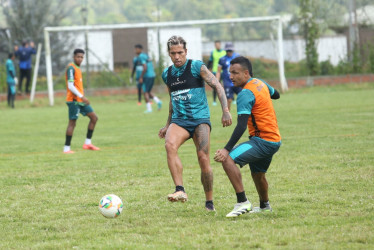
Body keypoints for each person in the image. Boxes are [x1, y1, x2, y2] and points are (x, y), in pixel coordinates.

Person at [158, 35, 232, 212]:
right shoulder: (167, 74)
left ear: (186, 51)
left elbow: (218, 86)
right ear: (169, 54)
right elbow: (172, 98)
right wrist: (168, 124)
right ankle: (180, 190)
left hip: (200, 120)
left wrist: (225, 110)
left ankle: (209, 202)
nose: (177, 56)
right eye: (173, 53)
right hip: (179, 121)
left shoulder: (196, 67)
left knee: (203, 158)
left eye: (180, 52)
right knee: (169, 145)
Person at [214, 56, 281, 217]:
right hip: (274, 140)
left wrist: (226, 149)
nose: (231, 76)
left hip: (262, 141)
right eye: (229, 72)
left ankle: (242, 202)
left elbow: (241, 126)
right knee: (257, 173)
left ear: (245, 73)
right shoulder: (259, 83)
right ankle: (265, 206)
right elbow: (276, 94)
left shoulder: (245, 94)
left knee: (228, 159)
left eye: (235, 73)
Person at [63, 49, 100, 154]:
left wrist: (82, 97)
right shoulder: (71, 68)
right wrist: (82, 96)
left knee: (94, 118)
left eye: (82, 57)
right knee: (72, 123)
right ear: (74, 57)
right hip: (74, 100)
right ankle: (66, 149)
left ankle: (87, 143)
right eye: (78, 57)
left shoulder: (78, 68)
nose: (80, 59)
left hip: (80, 100)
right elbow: (71, 86)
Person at [131, 44, 162, 113]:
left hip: (147, 76)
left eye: (136, 49)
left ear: (140, 49)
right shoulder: (146, 55)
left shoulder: (141, 56)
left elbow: (145, 67)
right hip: (152, 75)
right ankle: (158, 101)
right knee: (148, 92)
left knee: (145, 92)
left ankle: (149, 109)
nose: (135, 51)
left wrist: (141, 77)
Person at [216, 42, 241, 111]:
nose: (229, 52)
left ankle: (243, 114)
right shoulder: (222, 59)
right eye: (227, 51)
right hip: (227, 82)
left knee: (242, 98)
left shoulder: (237, 57)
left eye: (230, 50)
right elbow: (218, 71)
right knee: (228, 100)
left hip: (237, 82)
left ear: (233, 50)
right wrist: (217, 81)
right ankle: (227, 115)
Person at [207, 40, 226, 106]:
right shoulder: (213, 52)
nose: (217, 46)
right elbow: (210, 62)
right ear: (215, 45)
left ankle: (231, 99)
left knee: (226, 85)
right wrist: (208, 70)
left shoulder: (224, 52)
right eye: (216, 45)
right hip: (215, 72)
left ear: (220, 45)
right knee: (215, 86)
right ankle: (214, 101)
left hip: (224, 72)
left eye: (218, 44)